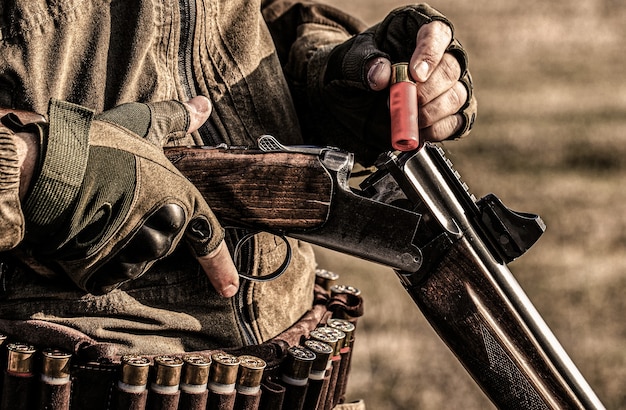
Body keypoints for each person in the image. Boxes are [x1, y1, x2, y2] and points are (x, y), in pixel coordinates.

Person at [0, 0, 476, 407]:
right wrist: (35, 165)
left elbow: (255, 18)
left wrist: (336, 79)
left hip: (280, 354)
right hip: (71, 357)